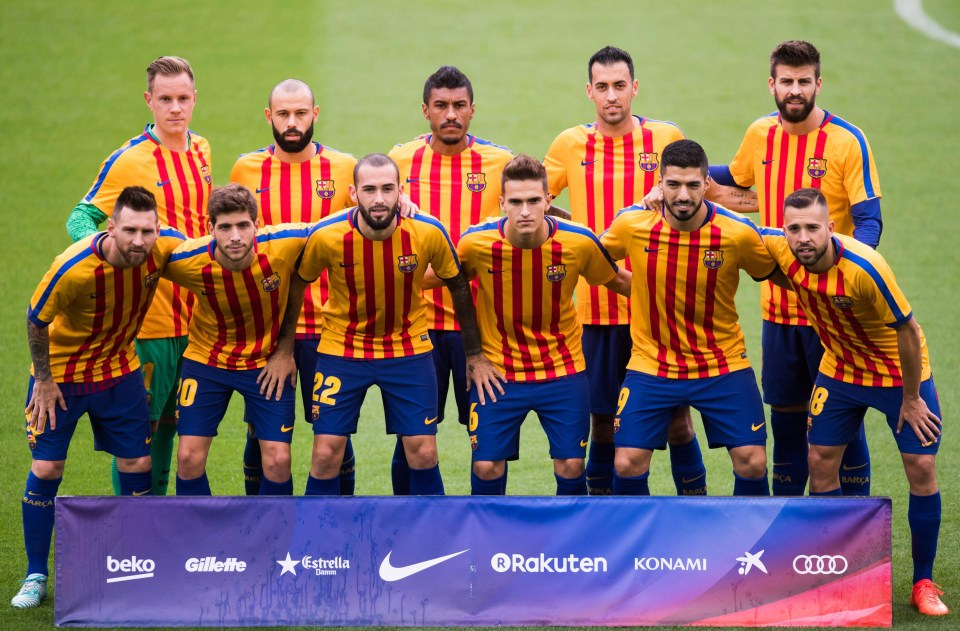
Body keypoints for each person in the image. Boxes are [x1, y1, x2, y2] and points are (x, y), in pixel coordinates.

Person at [762, 187, 946, 616]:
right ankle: (835, 570)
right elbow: (734, 225)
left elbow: (907, 330)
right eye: (794, 228)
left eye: (812, 228)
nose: (803, 238)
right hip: (841, 369)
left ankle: (923, 581)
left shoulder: (865, 267)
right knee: (820, 461)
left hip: (897, 374)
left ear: (831, 228)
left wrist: (913, 397)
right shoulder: (783, 250)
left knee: (920, 467)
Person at [712, 40, 882, 496]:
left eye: (803, 81)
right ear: (772, 84)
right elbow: (733, 176)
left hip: (833, 314)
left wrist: (848, 272)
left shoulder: (847, 141)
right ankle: (791, 536)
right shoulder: (760, 133)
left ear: (818, 84)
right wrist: (677, 176)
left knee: (843, 421)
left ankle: (854, 537)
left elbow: (869, 218)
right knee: (785, 421)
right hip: (778, 311)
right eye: (786, 81)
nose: (794, 90)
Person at [543, 46, 707, 495]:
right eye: (602, 87)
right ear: (589, 92)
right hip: (595, 313)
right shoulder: (569, 144)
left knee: (676, 421)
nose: (611, 96)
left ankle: (693, 514)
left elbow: (694, 197)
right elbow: (536, 200)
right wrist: (573, 230)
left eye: (620, 86)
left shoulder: (666, 137)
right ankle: (607, 522)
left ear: (634, 87)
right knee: (602, 422)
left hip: (657, 310)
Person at [13, 187, 182, 608]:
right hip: (62, 379)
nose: (139, 241)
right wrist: (46, 381)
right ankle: (36, 574)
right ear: (111, 227)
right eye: (130, 231)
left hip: (118, 373)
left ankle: (139, 559)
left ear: (157, 229)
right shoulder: (72, 267)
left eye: (147, 231)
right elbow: (36, 321)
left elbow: (207, 251)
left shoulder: (161, 251)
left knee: (138, 462)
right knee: (48, 466)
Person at [296, 153, 503, 496]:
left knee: (422, 450)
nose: (379, 199)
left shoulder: (427, 231)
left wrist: (475, 354)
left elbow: (458, 286)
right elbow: (297, 284)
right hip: (341, 348)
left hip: (408, 349)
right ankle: (318, 541)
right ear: (353, 192)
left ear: (401, 191)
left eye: (388, 189)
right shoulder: (327, 235)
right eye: (370, 189)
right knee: (325, 453)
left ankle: (426, 539)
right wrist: (283, 352)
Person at [440, 154, 631, 495]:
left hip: (562, 370)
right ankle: (486, 541)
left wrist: (681, 291)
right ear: (502, 203)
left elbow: (619, 281)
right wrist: (474, 355)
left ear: (548, 200)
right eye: (515, 202)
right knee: (486, 466)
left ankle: (570, 542)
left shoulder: (578, 242)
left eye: (533, 201)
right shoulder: (476, 243)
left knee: (571, 465)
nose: (525, 211)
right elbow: (441, 280)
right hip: (497, 373)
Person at [66, 56, 212, 496]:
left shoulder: (202, 149)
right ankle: (134, 529)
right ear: (149, 101)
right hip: (148, 321)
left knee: (173, 428)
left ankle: (162, 518)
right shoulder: (128, 160)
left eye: (183, 99)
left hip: (197, 320)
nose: (175, 109)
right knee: (138, 437)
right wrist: (104, 256)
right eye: (164, 99)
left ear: (194, 99)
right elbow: (82, 215)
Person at [601, 140, 775, 497]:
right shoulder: (633, 224)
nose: (683, 195)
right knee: (627, 462)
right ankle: (635, 546)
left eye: (693, 185)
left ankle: (748, 549)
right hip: (652, 363)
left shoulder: (738, 232)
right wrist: (637, 290)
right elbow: (593, 260)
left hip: (721, 362)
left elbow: (774, 271)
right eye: (674, 184)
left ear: (707, 183)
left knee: (753, 461)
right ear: (659, 183)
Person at [387, 66, 513, 494]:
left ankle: (484, 530)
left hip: (481, 329)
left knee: (488, 442)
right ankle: (410, 529)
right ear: (426, 110)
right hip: (416, 327)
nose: (451, 114)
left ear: (473, 110)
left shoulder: (500, 162)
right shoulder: (400, 161)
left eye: (459, 105)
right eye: (441, 106)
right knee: (413, 439)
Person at [230, 79, 359, 496]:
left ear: (315, 115)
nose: (292, 122)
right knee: (262, 434)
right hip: (266, 328)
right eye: (283, 114)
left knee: (335, 434)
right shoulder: (245, 170)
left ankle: (336, 532)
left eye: (300, 113)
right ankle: (265, 532)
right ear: (269, 117)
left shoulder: (343, 168)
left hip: (330, 327)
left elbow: (367, 229)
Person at [162, 184, 304, 496]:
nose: (235, 236)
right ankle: (200, 540)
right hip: (206, 362)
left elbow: (341, 226)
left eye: (243, 225)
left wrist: (285, 350)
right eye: (225, 228)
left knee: (278, 460)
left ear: (257, 224)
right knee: (188, 458)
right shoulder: (186, 260)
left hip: (267, 364)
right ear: (209, 227)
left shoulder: (287, 242)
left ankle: (274, 542)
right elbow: (142, 246)